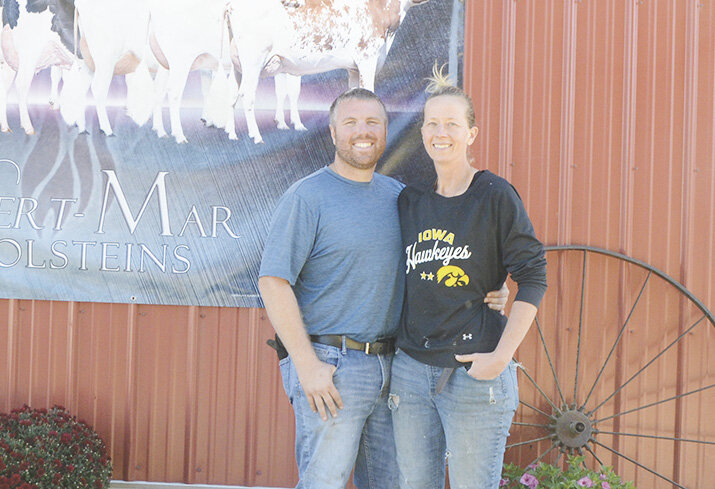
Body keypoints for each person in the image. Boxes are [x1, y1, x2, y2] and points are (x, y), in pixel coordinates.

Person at [258, 88, 509, 489]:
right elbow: (273, 281)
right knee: (324, 481)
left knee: (390, 483)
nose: (363, 131)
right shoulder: (308, 196)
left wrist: (491, 291)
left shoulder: (400, 199)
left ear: (386, 131)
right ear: (333, 132)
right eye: (351, 122)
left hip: (396, 368)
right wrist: (306, 365)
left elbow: (438, 265)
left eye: (372, 122)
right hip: (332, 364)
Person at [389, 69, 547, 489]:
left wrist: (500, 357)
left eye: (452, 124)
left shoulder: (494, 195)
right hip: (411, 371)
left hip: (474, 373)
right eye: (432, 123)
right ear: (422, 131)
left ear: (471, 134)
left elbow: (533, 274)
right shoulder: (410, 200)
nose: (441, 133)